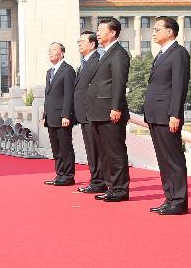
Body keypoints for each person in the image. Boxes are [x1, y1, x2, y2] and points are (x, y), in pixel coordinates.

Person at [144, 16, 190, 215]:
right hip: (155, 114)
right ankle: (169, 197)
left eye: (157, 29)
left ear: (170, 31)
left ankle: (178, 200)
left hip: (167, 115)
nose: (153, 33)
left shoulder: (178, 53)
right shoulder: (162, 54)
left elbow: (179, 86)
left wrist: (175, 114)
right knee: (163, 159)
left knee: (173, 159)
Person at [84, 18, 130, 202]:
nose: (98, 32)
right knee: (104, 152)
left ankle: (120, 189)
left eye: (102, 29)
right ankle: (112, 187)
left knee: (115, 151)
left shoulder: (119, 54)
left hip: (110, 111)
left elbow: (119, 82)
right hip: (98, 111)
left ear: (113, 32)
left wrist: (116, 107)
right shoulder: (105, 53)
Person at [72, 31, 106, 193]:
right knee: (90, 148)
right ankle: (96, 179)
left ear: (92, 44)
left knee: (95, 148)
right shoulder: (85, 62)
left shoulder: (96, 61)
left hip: (92, 111)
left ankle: (98, 181)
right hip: (84, 113)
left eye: (82, 41)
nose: (79, 44)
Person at [43, 42, 76, 186]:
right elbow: (48, 95)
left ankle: (68, 176)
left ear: (61, 53)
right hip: (51, 116)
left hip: (62, 116)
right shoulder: (50, 72)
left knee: (65, 147)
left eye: (53, 50)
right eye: (49, 50)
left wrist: (66, 115)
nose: (50, 53)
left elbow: (69, 94)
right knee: (56, 148)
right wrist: (45, 114)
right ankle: (59, 174)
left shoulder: (67, 70)